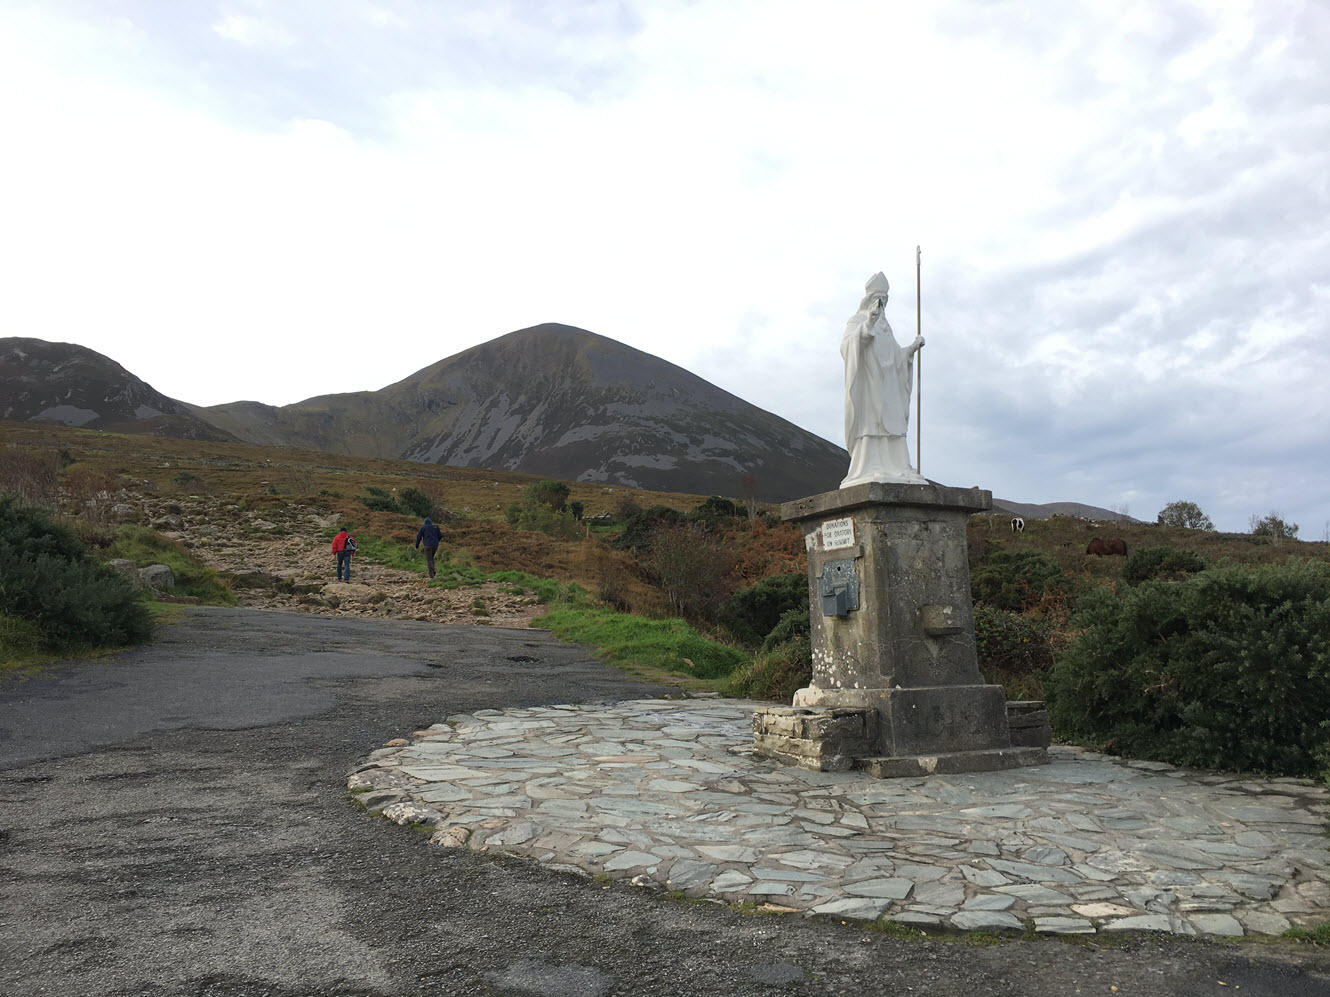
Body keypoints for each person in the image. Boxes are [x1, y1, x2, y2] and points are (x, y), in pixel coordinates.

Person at [840, 271, 926, 487]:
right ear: (869, 300)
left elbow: (896, 357)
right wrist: (868, 323)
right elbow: (847, 347)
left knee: (894, 423)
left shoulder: (886, 328)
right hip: (870, 385)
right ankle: (871, 466)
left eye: (885, 300)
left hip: (889, 387)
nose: (882, 304)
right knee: (873, 423)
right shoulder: (858, 320)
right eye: (879, 299)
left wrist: (911, 349)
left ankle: (899, 466)